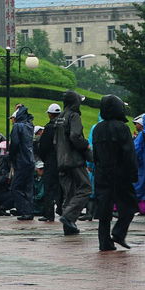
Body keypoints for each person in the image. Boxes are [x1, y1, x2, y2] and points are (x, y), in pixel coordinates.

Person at [91, 94, 136, 251]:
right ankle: (119, 232)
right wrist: (133, 174)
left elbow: (95, 154)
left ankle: (104, 242)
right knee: (129, 206)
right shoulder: (122, 128)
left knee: (104, 210)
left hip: (102, 173)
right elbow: (129, 153)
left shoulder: (97, 129)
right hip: (120, 173)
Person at [56, 92, 92, 236]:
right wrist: (86, 146)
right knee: (86, 189)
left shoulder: (59, 117)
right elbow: (75, 136)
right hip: (74, 160)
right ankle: (69, 217)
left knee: (69, 193)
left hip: (61, 160)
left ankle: (69, 227)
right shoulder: (74, 116)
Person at [6, 104, 36, 220]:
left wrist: (10, 157)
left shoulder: (17, 126)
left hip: (21, 161)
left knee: (16, 187)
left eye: (12, 119)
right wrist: (22, 107)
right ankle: (29, 211)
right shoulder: (29, 125)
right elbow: (28, 116)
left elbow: (15, 144)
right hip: (30, 160)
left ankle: (24, 211)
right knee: (28, 187)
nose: (12, 121)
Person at [34, 102, 63, 222]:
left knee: (49, 188)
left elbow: (43, 146)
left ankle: (48, 213)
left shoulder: (50, 127)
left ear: (50, 114)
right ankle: (62, 210)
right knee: (61, 187)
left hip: (51, 160)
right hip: (63, 159)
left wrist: (44, 158)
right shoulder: (65, 125)